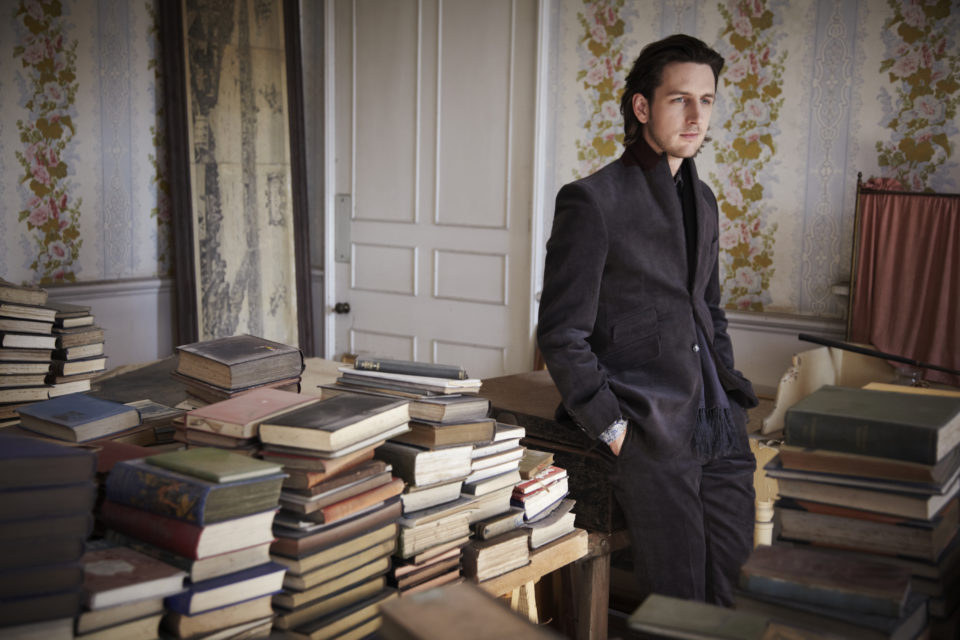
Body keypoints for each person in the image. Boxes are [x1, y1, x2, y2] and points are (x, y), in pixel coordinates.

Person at [536, 34, 759, 606]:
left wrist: (728, 392)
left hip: (718, 421)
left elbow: (707, 308)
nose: (696, 115)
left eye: (706, 101)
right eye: (680, 99)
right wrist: (614, 429)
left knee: (734, 588)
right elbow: (562, 333)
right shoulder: (592, 200)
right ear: (642, 108)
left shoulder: (704, 199)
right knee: (680, 602)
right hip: (650, 427)